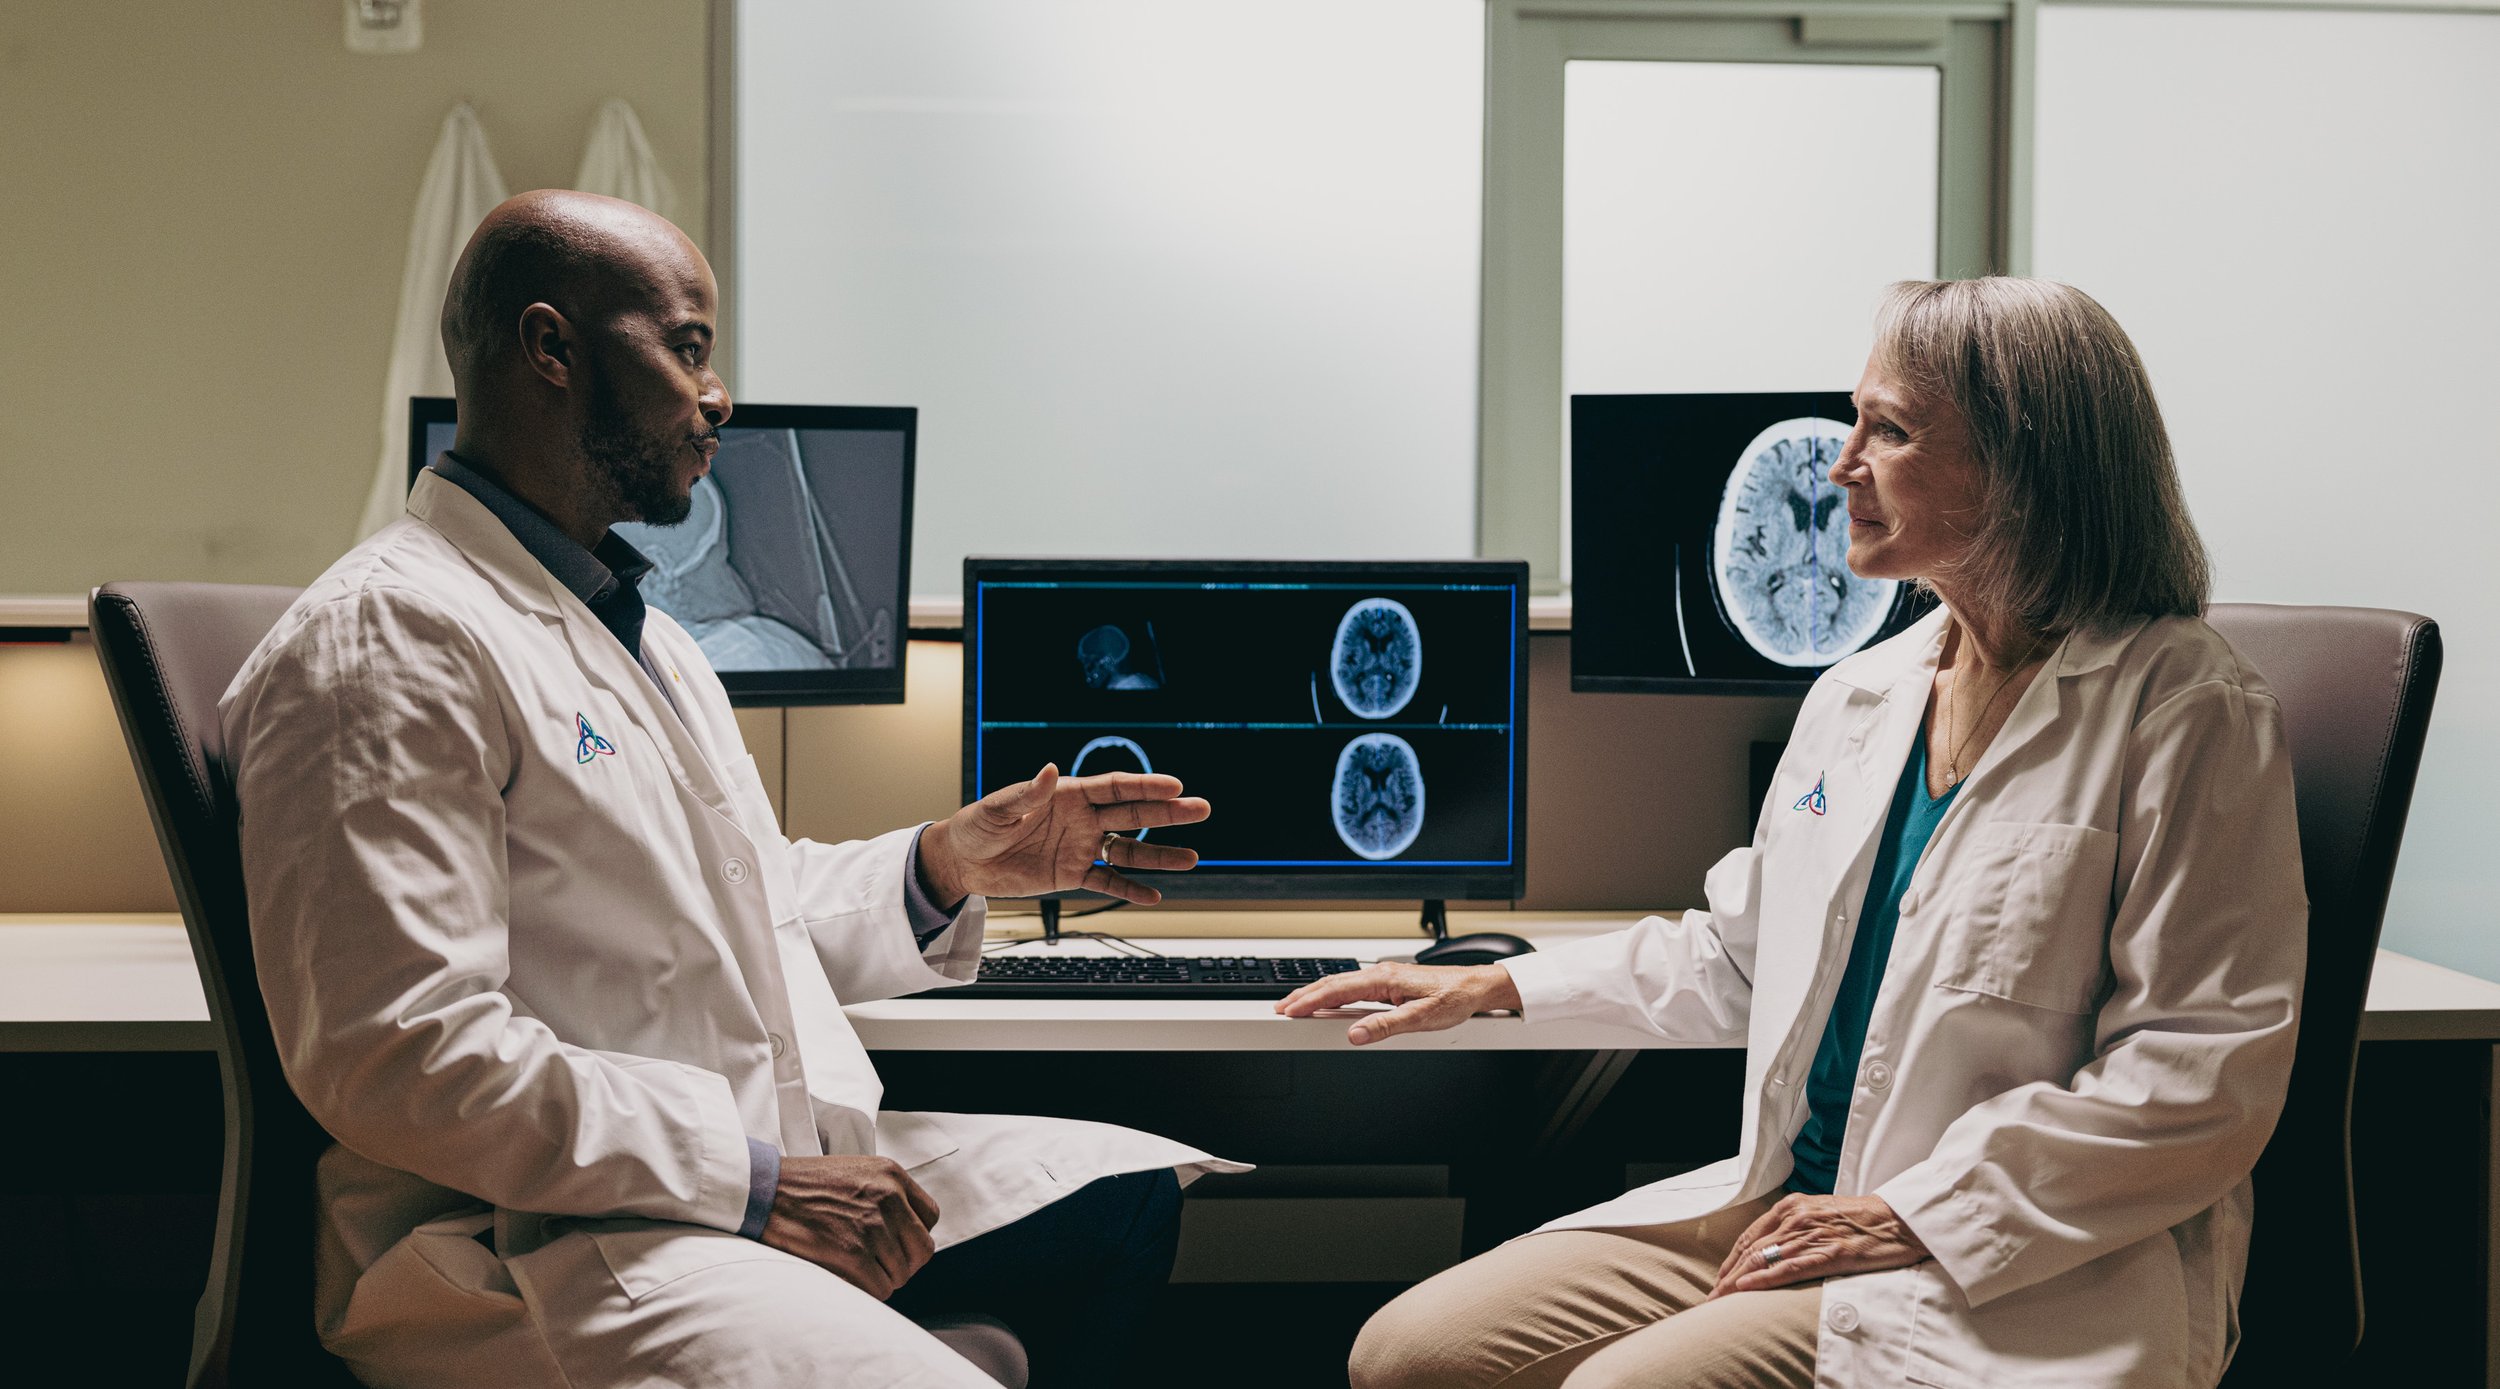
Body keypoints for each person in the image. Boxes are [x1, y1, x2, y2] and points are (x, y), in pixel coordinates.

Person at [221, 190, 1237, 1389]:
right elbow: (403, 1055)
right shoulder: (390, 639)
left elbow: (740, 908)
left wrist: (948, 865)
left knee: (1124, 1202)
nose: (719, 395)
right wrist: (757, 1185)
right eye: (688, 347)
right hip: (545, 1238)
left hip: (715, 1177)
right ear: (551, 349)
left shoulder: (638, 635)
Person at [1283, 277, 2305, 1389]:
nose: (1839, 464)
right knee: (1405, 1357)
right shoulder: (1864, 694)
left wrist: (1908, 1216)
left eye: (1891, 431)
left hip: (2006, 1259)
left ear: (2022, 465)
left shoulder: (2184, 710)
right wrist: (1499, 987)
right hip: (1787, 1202)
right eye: (1853, 419)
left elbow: (2196, 1080)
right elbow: (1740, 953)